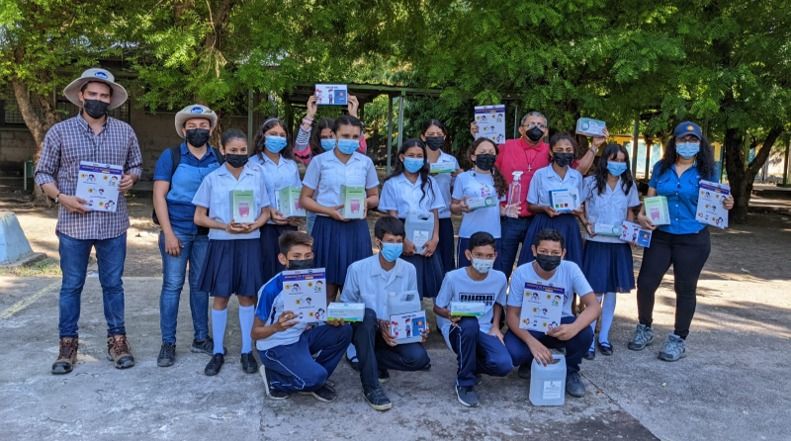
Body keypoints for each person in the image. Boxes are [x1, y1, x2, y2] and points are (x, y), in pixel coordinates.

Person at [36, 67, 142, 374]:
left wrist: (131, 178)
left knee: (113, 285)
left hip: (112, 223)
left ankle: (117, 341)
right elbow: (43, 173)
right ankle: (67, 344)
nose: (98, 99)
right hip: (74, 224)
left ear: (110, 99)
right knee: (71, 285)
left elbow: (136, 165)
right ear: (81, 96)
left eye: (103, 95)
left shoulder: (125, 132)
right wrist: (61, 197)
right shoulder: (60, 132)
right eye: (92, 94)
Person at [630, 121, 734, 362]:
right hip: (661, 235)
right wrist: (643, 217)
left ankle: (678, 338)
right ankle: (644, 327)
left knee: (685, 288)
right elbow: (650, 199)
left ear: (700, 143)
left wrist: (727, 203)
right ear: (674, 142)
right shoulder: (661, 167)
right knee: (646, 283)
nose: (687, 144)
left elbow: (718, 201)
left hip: (693, 238)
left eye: (693, 140)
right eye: (683, 140)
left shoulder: (708, 170)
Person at [193, 129, 271, 376]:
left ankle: (247, 351)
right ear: (223, 150)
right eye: (233, 150)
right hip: (222, 243)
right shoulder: (212, 179)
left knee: (247, 297)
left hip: (249, 242)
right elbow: (199, 217)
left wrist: (254, 225)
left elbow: (266, 212)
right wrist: (224, 226)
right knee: (221, 298)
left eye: (243, 150)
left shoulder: (257, 176)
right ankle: (217, 351)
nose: (239, 154)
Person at [153, 104, 222, 367]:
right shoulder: (171, 156)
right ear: (183, 130)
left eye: (203, 125)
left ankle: (201, 338)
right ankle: (167, 343)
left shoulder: (218, 158)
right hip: (177, 230)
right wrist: (168, 233)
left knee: (200, 286)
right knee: (172, 286)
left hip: (207, 232)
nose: (197, 129)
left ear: (211, 129)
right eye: (192, 126)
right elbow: (159, 196)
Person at [340, 216, 431, 411]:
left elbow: (412, 306)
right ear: (378, 242)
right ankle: (371, 387)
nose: (395, 246)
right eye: (390, 241)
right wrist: (379, 323)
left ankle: (368, 359)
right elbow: (347, 308)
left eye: (399, 241)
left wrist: (419, 328)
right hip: (365, 331)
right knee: (368, 315)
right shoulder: (358, 269)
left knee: (419, 359)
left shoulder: (409, 270)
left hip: (395, 333)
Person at [254, 231, 352, 401]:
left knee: (344, 330)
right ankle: (275, 379)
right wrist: (277, 327)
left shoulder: (312, 281)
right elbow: (255, 333)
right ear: (283, 259)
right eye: (296, 256)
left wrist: (330, 319)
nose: (303, 260)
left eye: (307, 255)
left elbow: (315, 314)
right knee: (315, 377)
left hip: (300, 339)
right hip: (275, 347)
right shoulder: (271, 290)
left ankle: (311, 377)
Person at [504, 229, 600, 398]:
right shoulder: (521, 272)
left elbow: (594, 306)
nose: (549, 256)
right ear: (534, 250)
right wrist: (531, 342)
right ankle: (529, 360)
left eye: (555, 253)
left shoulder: (571, 269)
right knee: (513, 354)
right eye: (543, 251)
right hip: (530, 326)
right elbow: (512, 315)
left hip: (560, 325)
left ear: (563, 253)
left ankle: (571, 371)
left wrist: (574, 327)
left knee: (584, 333)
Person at [300, 115, 379, 301]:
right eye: (345, 136)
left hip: (356, 228)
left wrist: (365, 203)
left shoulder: (365, 163)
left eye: (355, 137)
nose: (350, 141)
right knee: (325, 288)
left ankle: (351, 320)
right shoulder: (319, 162)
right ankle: (325, 319)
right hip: (327, 227)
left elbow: (374, 197)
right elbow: (304, 199)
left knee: (355, 289)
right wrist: (329, 211)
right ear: (334, 135)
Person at [433, 232, 512, 407]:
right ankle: (464, 383)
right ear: (468, 255)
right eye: (479, 255)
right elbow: (437, 308)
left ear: (495, 256)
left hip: (485, 330)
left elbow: (499, 303)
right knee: (469, 323)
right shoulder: (453, 277)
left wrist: (496, 326)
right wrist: (449, 314)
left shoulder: (499, 278)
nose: (484, 260)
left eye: (489, 256)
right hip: (457, 329)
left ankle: (469, 364)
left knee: (504, 365)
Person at [580, 143, 640, 360]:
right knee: (595, 291)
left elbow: (631, 211)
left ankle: (604, 336)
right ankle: (588, 338)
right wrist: (585, 222)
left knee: (612, 290)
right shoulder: (590, 183)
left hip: (618, 244)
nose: (618, 164)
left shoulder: (628, 185)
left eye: (622, 160)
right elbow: (579, 206)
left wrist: (631, 233)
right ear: (605, 160)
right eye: (614, 160)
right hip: (596, 241)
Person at [379, 139, 445, 299]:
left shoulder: (430, 182)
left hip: (427, 232)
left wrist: (435, 238)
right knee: (407, 283)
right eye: (411, 155)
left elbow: (435, 212)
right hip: (402, 231)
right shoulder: (392, 183)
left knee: (431, 280)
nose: (415, 159)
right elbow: (392, 216)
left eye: (419, 156)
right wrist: (403, 241)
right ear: (402, 157)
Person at [520, 133, 586, 267]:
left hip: (568, 225)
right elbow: (530, 205)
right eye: (559, 150)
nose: (564, 153)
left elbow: (579, 204)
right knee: (539, 264)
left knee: (568, 265)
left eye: (568, 150)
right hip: (544, 223)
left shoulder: (577, 176)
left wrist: (579, 211)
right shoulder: (540, 174)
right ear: (551, 152)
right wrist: (544, 208)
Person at [250, 117, 302, 283]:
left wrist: (296, 214)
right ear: (263, 136)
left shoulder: (291, 165)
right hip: (264, 227)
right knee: (265, 270)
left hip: (289, 226)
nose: (277, 138)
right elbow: (250, 195)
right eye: (273, 134)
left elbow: (297, 192)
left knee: (288, 270)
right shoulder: (252, 164)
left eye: (281, 135)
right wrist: (269, 211)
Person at [450, 138, 507, 268]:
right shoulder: (463, 178)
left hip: (494, 235)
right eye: (483, 152)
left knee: (491, 274)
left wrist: (507, 211)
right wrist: (461, 207)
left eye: (491, 152)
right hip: (469, 234)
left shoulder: (499, 178)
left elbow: (498, 208)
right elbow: (453, 206)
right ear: (473, 156)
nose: (487, 155)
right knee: (466, 272)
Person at [420, 119, 462, 273]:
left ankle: (443, 289)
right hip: (420, 217)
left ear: (444, 136)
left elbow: (456, 188)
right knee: (422, 259)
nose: (435, 137)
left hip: (443, 218)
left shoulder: (450, 161)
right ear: (423, 136)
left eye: (439, 134)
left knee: (446, 262)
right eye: (431, 134)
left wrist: (460, 176)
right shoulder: (416, 158)